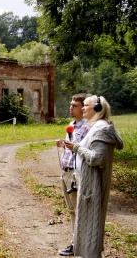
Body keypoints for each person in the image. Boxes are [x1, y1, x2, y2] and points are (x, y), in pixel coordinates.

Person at [64, 95, 124, 257]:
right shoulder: (97, 127)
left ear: (97, 109)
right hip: (88, 183)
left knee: (91, 224)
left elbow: (97, 158)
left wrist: (76, 148)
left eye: (87, 106)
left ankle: (91, 254)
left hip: (93, 186)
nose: (83, 108)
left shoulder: (101, 129)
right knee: (86, 223)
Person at [56, 93, 91, 256]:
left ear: (83, 108)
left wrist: (74, 146)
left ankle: (80, 244)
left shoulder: (88, 127)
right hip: (65, 171)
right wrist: (63, 144)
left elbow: (86, 150)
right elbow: (71, 146)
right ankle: (76, 242)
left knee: (79, 210)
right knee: (71, 210)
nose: (71, 107)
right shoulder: (71, 124)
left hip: (77, 174)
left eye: (74, 105)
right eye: (70, 104)